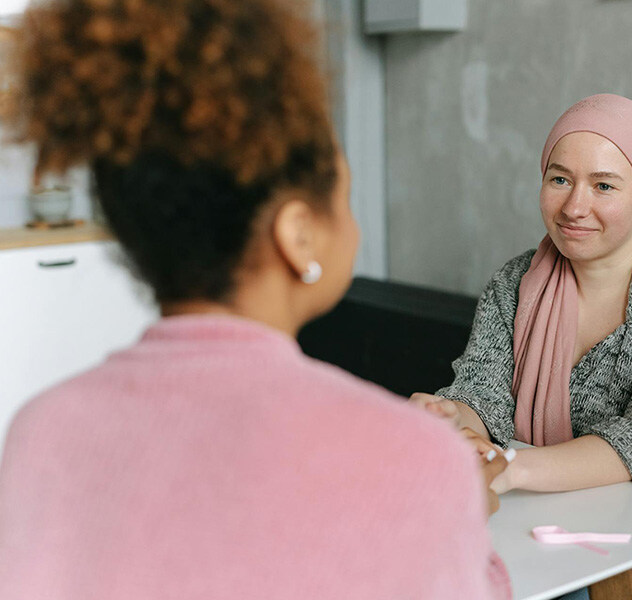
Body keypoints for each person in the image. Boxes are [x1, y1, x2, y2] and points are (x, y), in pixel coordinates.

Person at [0, 1, 511, 598]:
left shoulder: (44, 432)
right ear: (297, 236)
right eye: (341, 196)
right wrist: (464, 513)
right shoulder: (417, 462)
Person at [411, 93, 632, 599]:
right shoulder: (514, 283)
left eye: (604, 185)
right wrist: (451, 421)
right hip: (539, 539)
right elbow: (481, 396)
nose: (575, 206)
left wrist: (509, 469)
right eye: (560, 179)